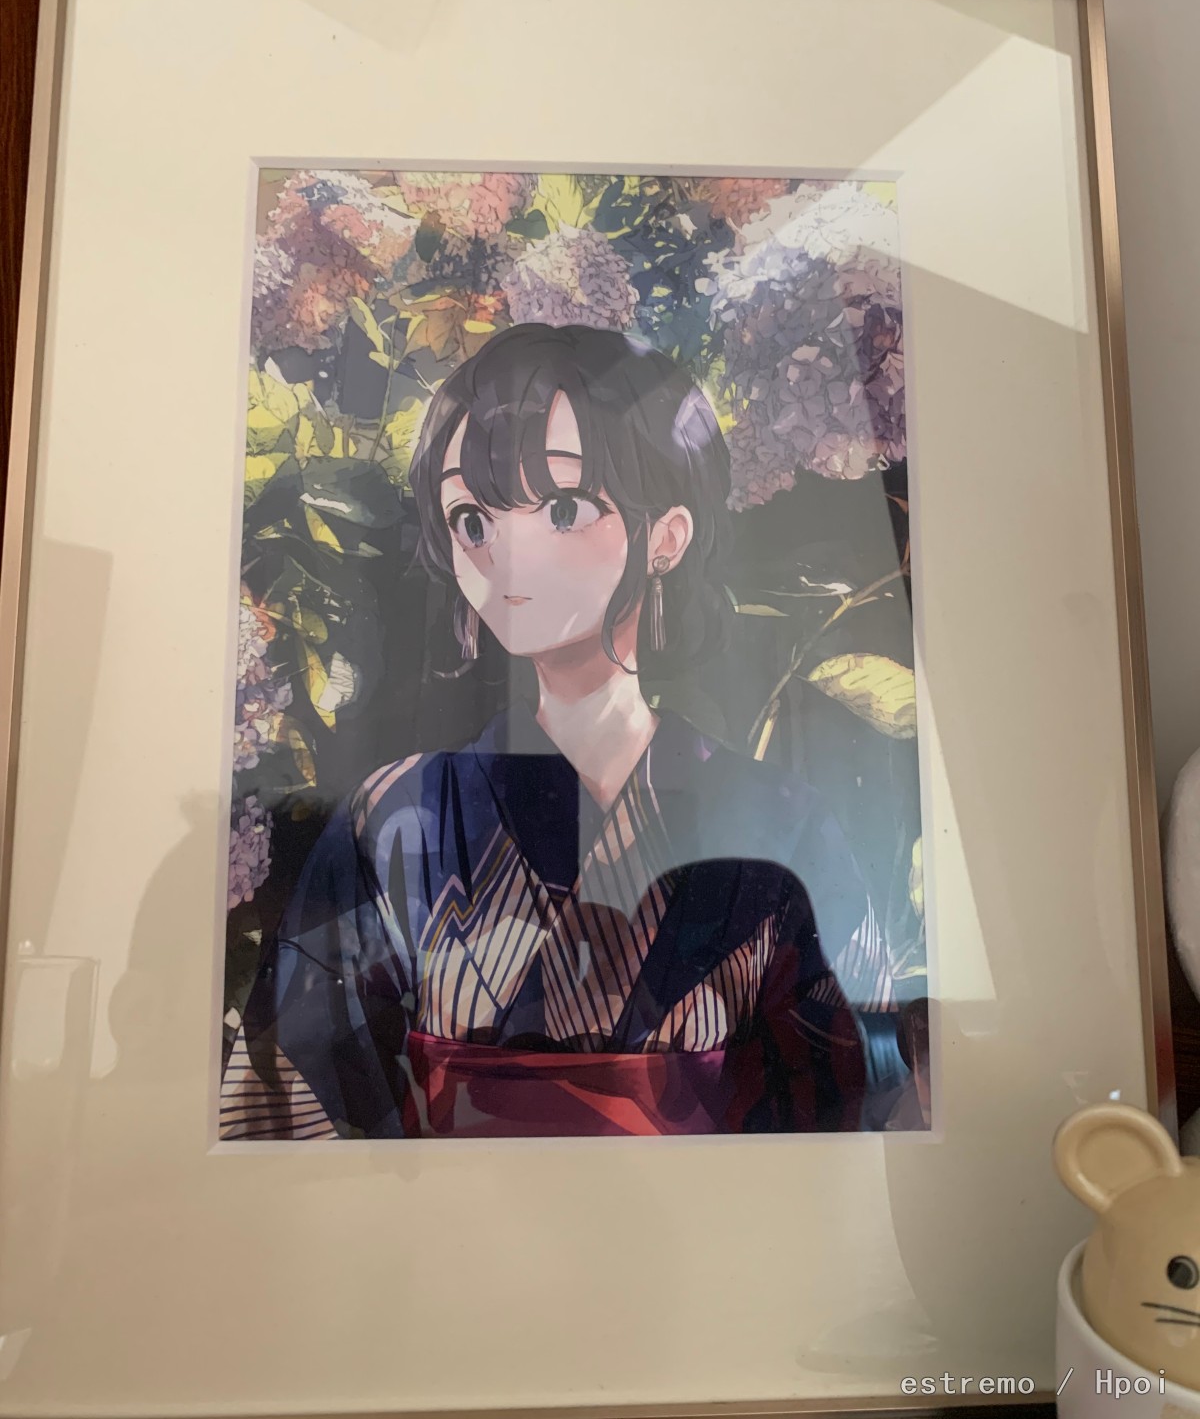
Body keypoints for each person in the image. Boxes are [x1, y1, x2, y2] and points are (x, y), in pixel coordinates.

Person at [223, 323, 889, 1139]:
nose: (509, 558)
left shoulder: (781, 823)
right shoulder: (394, 816)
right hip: (433, 1219)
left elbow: (855, 1103)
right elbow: (295, 1095)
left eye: (563, 509)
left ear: (667, 536)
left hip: (707, 1218)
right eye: (472, 520)